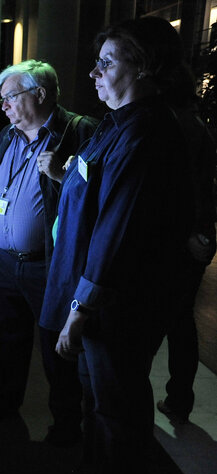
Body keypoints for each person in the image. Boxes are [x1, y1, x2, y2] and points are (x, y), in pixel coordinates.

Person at [40, 17, 192, 474]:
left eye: (107, 62)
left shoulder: (147, 134)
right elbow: (94, 199)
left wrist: (80, 309)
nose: (94, 73)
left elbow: (118, 232)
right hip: (96, 299)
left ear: (145, 67)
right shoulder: (114, 125)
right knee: (96, 404)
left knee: (118, 414)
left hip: (116, 308)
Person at [0, 60, 97, 447]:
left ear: (39, 94)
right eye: (2, 99)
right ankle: (6, 400)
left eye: (9, 97)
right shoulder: (7, 136)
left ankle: (66, 425)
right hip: (7, 263)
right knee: (9, 339)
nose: (3, 106)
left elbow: (99, 197)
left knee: (56, 349)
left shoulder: (78, 132)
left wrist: (63, 175)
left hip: (49, 265)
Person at [153, 18, 217, 425]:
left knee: (167, 320)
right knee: (181, 322)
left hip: (178, 241)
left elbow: (183, 190)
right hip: (194, 239)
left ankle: (175, 398)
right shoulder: (198, 127)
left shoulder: (169, 128)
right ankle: (180, 398)